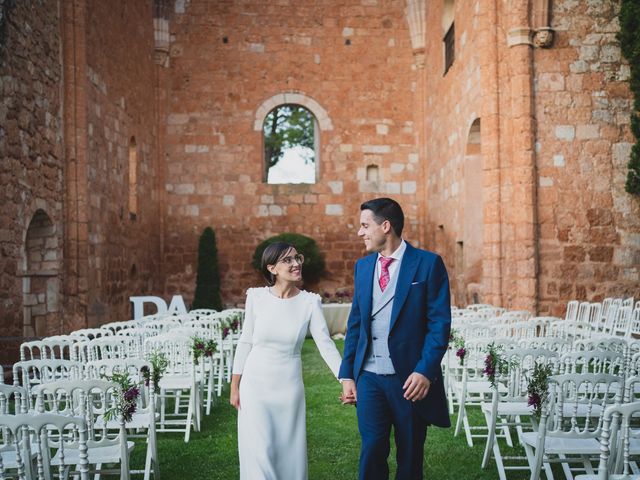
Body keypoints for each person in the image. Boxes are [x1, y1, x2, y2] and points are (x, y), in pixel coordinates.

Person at [339, 197, 452, 480]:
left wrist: (425, 371)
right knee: (373, 448)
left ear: (385, 226)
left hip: (409, 380)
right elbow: (355, 325)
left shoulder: (428, 264)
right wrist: (347, 375)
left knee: (410, 455)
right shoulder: (363, 268)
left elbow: (439, 325)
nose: (360, 232)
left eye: (365, 226)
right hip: (369, 378)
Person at [230, 241, 342, 480]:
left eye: (297, 258)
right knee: (259, 452)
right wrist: (235, 386)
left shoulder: (310, 302)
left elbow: (325, 344)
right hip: (255, 385)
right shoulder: (256, 297)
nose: (295, 264)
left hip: (289, 387)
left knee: (288, 454)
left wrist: (345, 378)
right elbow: (245, 341)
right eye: (288, 260)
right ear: (272, 269)